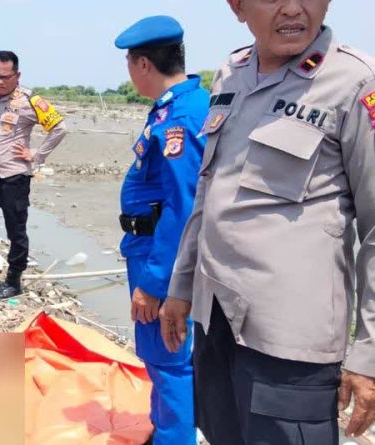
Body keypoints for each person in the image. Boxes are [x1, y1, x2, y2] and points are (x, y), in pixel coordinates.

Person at [159, 1, 375, 443]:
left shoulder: (355, 84)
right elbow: (209, 191)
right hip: (216, 320)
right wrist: (180, 289)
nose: (293, 9)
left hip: (290, 345)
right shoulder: (232, 73)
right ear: (237, 6)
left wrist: (369, 354)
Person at [114, 16, 209, 445]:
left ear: (143, 65)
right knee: (159, 353)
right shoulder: (176, 105)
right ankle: (163, 430)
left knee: (169, 355)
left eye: (130, 64)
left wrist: (154, 284)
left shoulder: (180, 117)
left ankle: (174, 438)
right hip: (150, 248)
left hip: (161, 256)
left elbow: (183, 205)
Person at [0, 50, 67, 298]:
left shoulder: (31, 100)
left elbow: (59, 127)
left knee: (15, 229)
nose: (0, 81)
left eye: (6, 76)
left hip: (13, 177)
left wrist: (36, 155)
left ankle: (14, 280)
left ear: (17, 75)